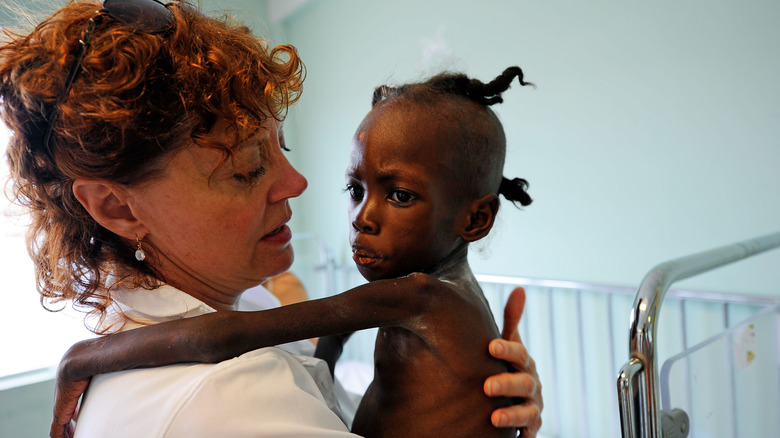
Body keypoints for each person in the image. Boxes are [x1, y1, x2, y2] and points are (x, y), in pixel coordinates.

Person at [0, 1, 541, 437]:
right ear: (117, 207)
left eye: (280, 146)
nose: (297, 182)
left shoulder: (244, 299)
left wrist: (483, 407)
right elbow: (210, 343)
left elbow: (331, 393)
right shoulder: (224, 406)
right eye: (247, 168)